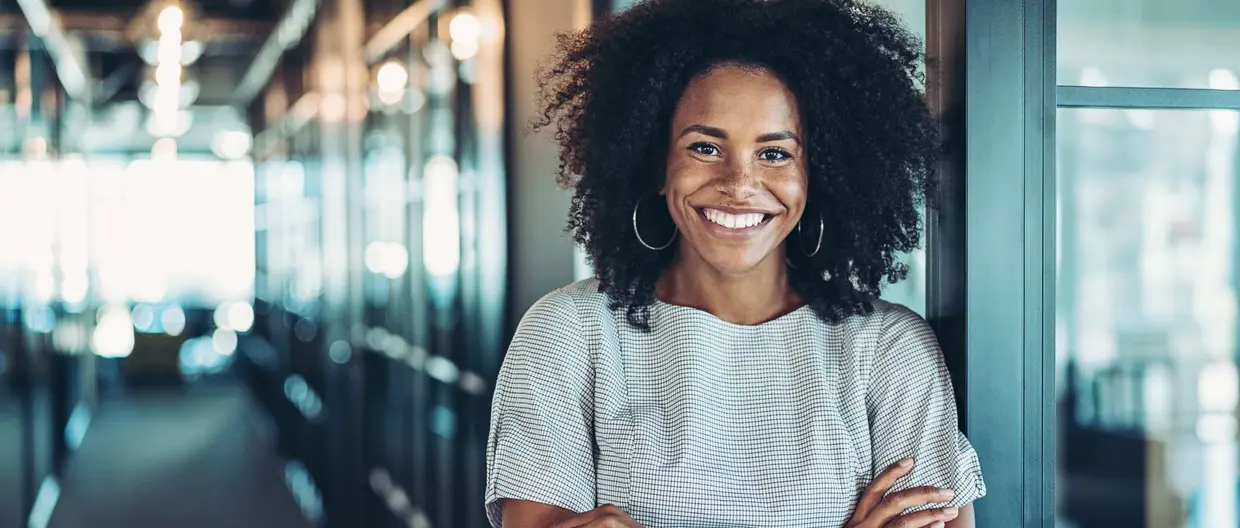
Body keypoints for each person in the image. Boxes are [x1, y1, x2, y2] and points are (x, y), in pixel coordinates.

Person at [485, 0, 986, 526]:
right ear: (657, 163)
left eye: (774, 153)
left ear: (820, 173)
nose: (739, 185)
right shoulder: (566, 335)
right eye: (705, 147)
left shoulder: (889, 351)